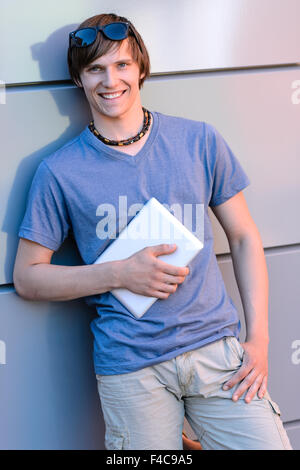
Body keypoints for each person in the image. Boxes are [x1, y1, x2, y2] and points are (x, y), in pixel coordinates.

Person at [13, 12, 292, 450]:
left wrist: (258, 339)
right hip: (131, 366)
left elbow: (242, 236)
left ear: (140, 67)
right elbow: (28, 278)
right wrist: (118, 274)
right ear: (79, 80)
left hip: (217, 353)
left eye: (121, 64)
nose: (110, 80)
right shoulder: (60, 172)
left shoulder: (198, 140)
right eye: (95, 69)